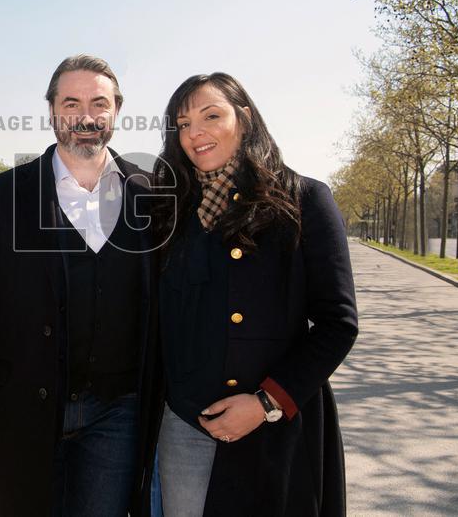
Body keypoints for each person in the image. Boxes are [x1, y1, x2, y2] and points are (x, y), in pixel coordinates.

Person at [0, 55, 159, 516]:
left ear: (116, 110)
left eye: (99, 103)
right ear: (52, 111)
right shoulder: (5, 194)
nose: (86, 116)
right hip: (24, 404)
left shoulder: (150, 195)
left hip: (118, 413)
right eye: (71, 103)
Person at [139, 72, 358, 516]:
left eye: (211, 116)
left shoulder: (304, 200)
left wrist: (265, 403)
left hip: (272, 430)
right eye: (183, 124)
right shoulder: (166, 210)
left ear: (244, 118)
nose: (195, 133)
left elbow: (338, 324)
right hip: (184, 426)